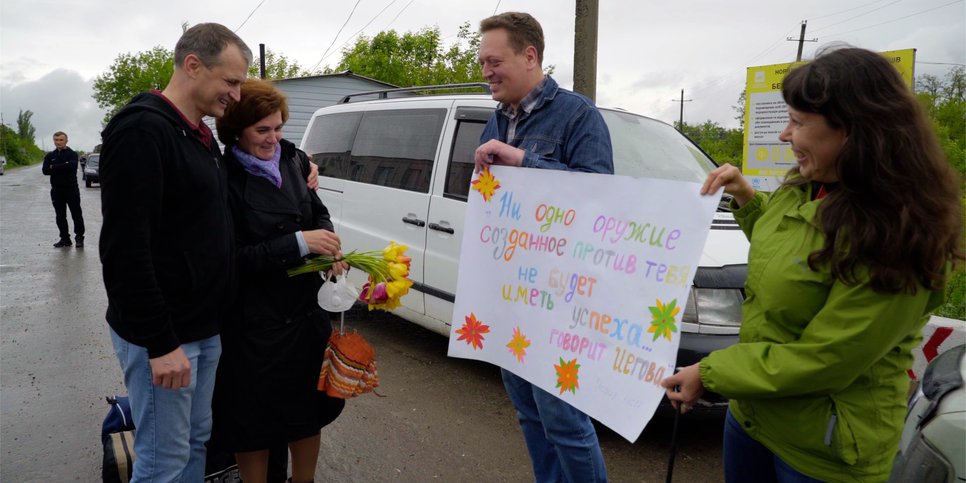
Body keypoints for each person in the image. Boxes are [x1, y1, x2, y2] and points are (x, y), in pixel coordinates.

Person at [662, 46, 963, 483]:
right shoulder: (808, 185)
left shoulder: (899, 238)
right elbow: (796, 247)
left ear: (857, 132)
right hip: (752, 418)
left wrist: (710, 372)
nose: (785, 135)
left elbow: (826, 359)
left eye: (799, 123)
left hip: (823, 451)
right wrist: (747, 199)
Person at [98, 23, 252, 482]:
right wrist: (161, 344)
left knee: (194, 444)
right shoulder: (142, 131)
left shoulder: (199, 136)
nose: (237, 95)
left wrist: (300, 165)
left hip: (202, 328)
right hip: (165, 337)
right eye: (231, 82)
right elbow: (124, 253)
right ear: (192, 66)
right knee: (162, 461)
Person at [474, 12, 613, 483]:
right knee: (529, 415)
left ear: (529, 55)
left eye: (494, 61)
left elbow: (601, 199)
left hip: (561, 299)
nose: (486, 71)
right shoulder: (495, 118)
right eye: (482, 62)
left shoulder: (578, 115)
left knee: (565, 421)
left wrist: (522, 160)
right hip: (514, 295)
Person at [210, 78, 347, 483]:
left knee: (306, 413)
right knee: (252, 420)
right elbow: (230, 259)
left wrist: (327, 247)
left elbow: (317, 213)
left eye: (279, 127)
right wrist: (299, 243)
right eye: (262, 130)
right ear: (237, 131)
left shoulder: (295, 160)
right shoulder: (224, 178)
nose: (274, 138)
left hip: (304, 317)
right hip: (253, 325)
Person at [42, 131, 85, 248]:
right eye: (56, 140)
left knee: (76, 214)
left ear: (66, 141)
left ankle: (79, 237)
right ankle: (65, 238)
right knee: (60, 216)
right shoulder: (50, 155)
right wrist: (62, 166)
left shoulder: (72, 154)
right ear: (53, 141)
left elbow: (72, 167)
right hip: (56, 190)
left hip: (71, 189)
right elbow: (45, 170)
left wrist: (54, 167)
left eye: (61, 140)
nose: (58, 142)